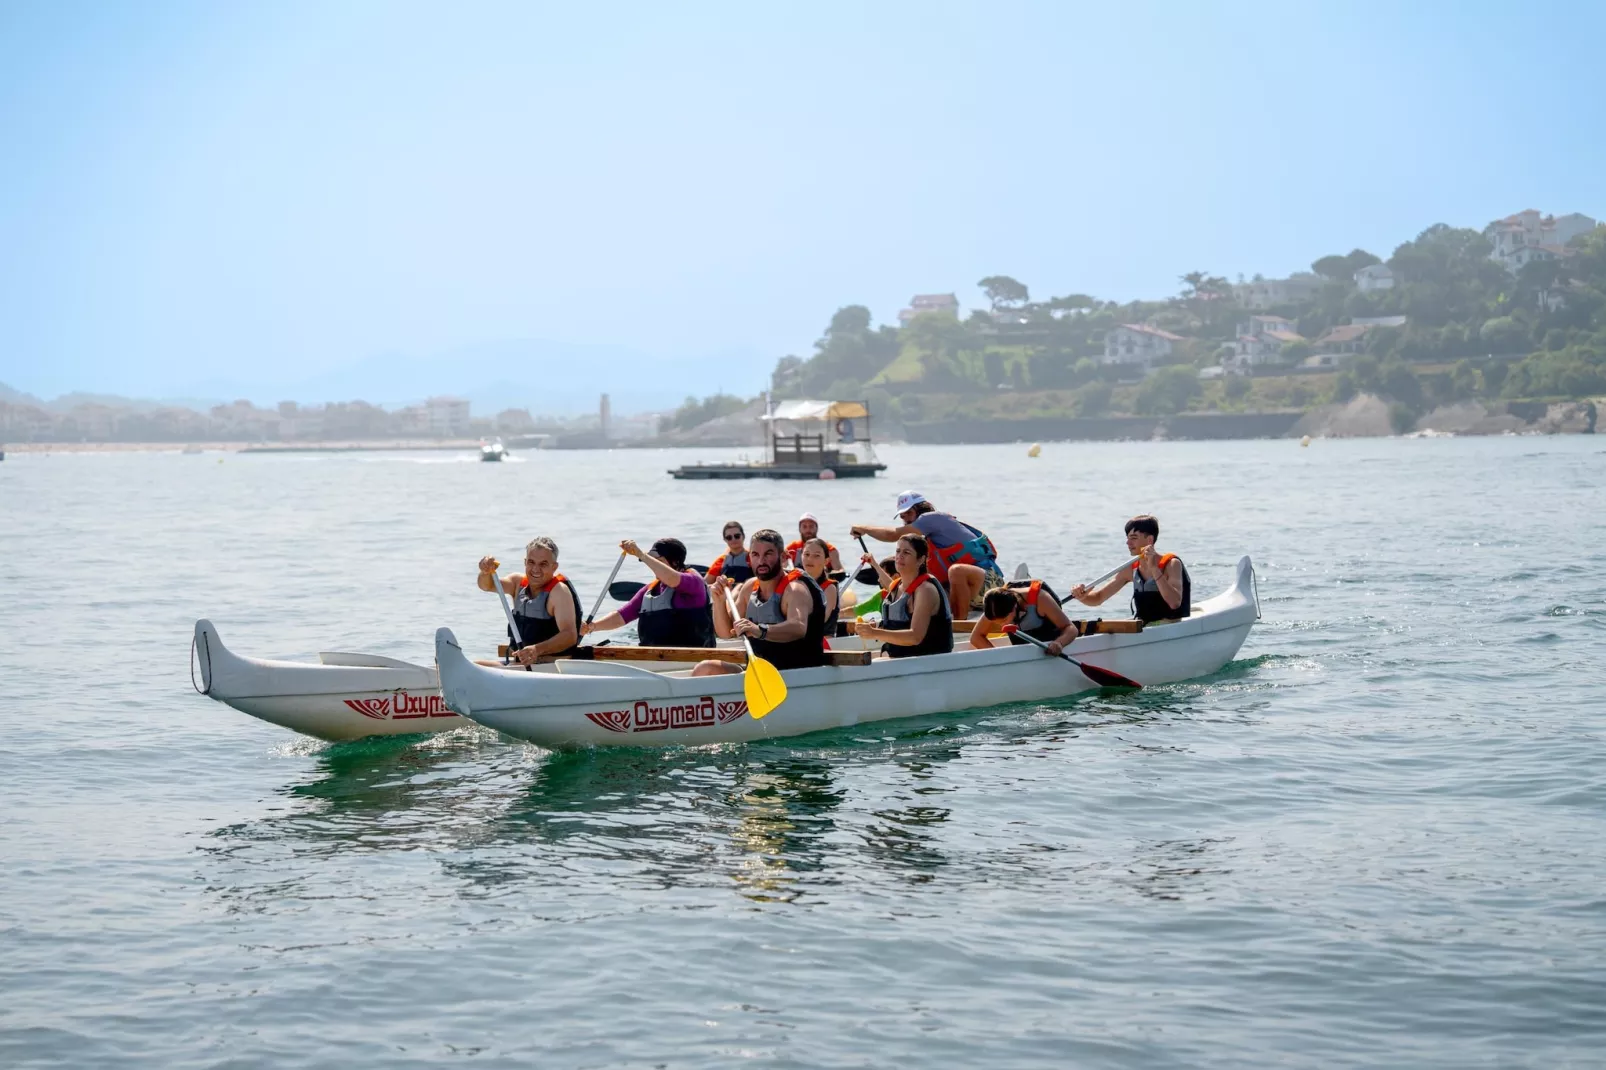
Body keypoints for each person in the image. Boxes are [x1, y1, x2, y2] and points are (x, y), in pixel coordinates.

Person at [850, 491, 1002, 620]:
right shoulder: (925, 546)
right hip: (969, 594)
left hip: (989, 582)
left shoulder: (931, 518)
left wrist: (864, 529)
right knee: (924, 590)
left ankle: (957, 627)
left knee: (956, 571)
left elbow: (893, 535)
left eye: (909, 513)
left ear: (921, 508)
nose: (907, 519)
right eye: (903, 516)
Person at [709, 528, 827, 672]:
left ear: (783, 557)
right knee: (705, 669)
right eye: (755, 555)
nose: (761, 561)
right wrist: (719, 601)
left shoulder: (795, 590)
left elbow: (798, 627)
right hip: (759, 673)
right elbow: (726, 633)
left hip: (797, 674)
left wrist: (759, 630)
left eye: (768, 554)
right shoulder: (749, 588)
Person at [581, 538, 714, 649]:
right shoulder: (650, 589)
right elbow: (622, 616)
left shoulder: (693, 581)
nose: (652, 566)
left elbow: (672, 579)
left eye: (658, 561)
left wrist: (642, 555)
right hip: (656, 657)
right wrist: (591, 627)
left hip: (693, 655)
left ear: (675, 562)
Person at [476, 536, 582, 663]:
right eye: (531, 562)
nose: (536, 569)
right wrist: (485, 572)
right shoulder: (517, 582)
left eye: (543, 564)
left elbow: (569, 635)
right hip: (520, 666)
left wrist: (536, 650)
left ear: (554, 567)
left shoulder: (559, 592)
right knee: (475, 664)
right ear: (525, 562)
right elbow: (487, 586)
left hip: (552, 666)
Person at [1068, 514, 1191, 623]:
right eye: (1127, 538)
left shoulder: (1172, 564)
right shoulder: (1130, 569)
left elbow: (1174, 603)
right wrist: (1082, 596)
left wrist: (1154, 568)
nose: (1128, 543)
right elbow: (1098, 598)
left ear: (1149, 540)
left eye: (1134, 538)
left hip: (1169, 625)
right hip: (1145, 626)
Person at [851, 533, 953, 658]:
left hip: (923, 664)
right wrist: (876, 626)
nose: (900, 556)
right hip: (898, 661)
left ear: (921, 559)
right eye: (898, 551)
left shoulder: (926, 591)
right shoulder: (898, 585)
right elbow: (891, 588)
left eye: (907, 552)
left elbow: (915, 637)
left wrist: (875, 633)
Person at [969, 581, 1081, 655]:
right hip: (1022, 651)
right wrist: (998, 657)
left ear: (1014, 607)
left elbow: (1071, 628)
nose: (1002, 626)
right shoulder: (995, 605)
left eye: (1003, 621)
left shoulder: (1040, 599)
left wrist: (1059, 643)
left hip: (1049, 650)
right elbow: (976, 637)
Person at [797, 537, 842, 642]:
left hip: (822, 643)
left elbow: (822, 620)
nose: (809, 559)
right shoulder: (795, 583)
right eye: (806, 554)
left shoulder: (829, 588)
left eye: (816, 556)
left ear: (826, 561)